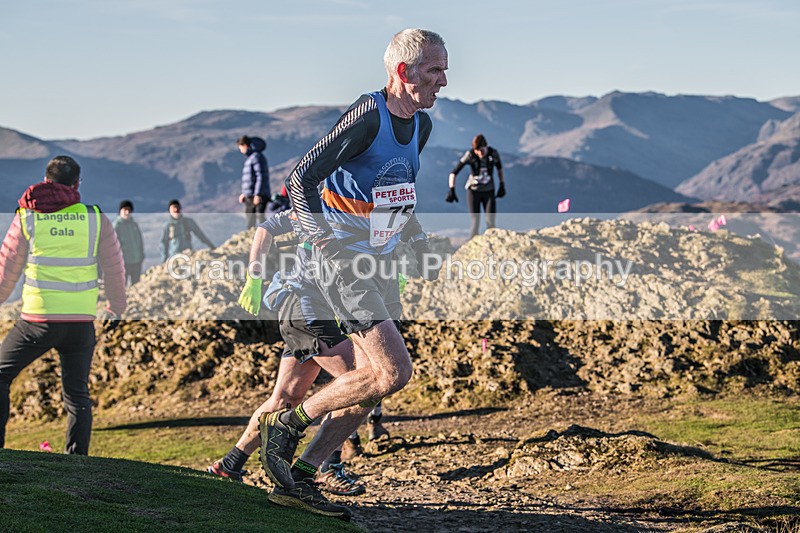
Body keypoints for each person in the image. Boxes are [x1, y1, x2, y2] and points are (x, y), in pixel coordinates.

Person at [259, 28, 447, 517]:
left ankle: (302, 476)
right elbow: (300, 178)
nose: (444, 81)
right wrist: (326, 242)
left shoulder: (421, 125)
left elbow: (395, 194)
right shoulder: (368, 115)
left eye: (445, 70)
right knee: (394, 371)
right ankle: (286, 425)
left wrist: (416, 240)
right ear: (403, 71)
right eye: (434, 70)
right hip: (343, 265)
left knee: (370, 384)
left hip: (379, 263)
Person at [0, 155, 127, 455]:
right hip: (80, 323)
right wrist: (116, 306)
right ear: (77, 184)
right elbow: (114, 268)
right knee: (77, 394)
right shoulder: (95, 218)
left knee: (1, 375)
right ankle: (76, 460)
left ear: (46, 181)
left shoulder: (28, 216)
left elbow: (7, 268)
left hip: (37, 322)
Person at [446, 133, 505, 238]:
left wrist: (502, 184)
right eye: (477, 151)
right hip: (473, 191)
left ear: (486, 146)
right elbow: (453, 172)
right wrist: (452, 189)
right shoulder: (470, 155)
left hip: (489, 191)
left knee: (490, 222)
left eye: (482, 150)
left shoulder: (493, 154)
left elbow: (499, 169)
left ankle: (493, 244)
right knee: (475, 222)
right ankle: (471, 244)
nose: (480, 153)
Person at [238, 135, 270, 228]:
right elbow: (250, 179)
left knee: (259, 219)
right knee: (250, 220)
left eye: (240, 148)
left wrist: (258, 194)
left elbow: (260, 176)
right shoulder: (251, 158)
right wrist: (244, 193)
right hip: (251, 195)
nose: (240, 151)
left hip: (257, 195)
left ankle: (266, 235)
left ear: (245, 145)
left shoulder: (256, 157)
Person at [113, 200, 145, 285]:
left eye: (129, 210)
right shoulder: (117, 226)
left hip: (136, 260)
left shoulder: (134, 224)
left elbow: (139, 240)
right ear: (120, 210)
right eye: (125, 209)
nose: (127, 212)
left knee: (137, 286)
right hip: (124, 262)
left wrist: (141, 255)